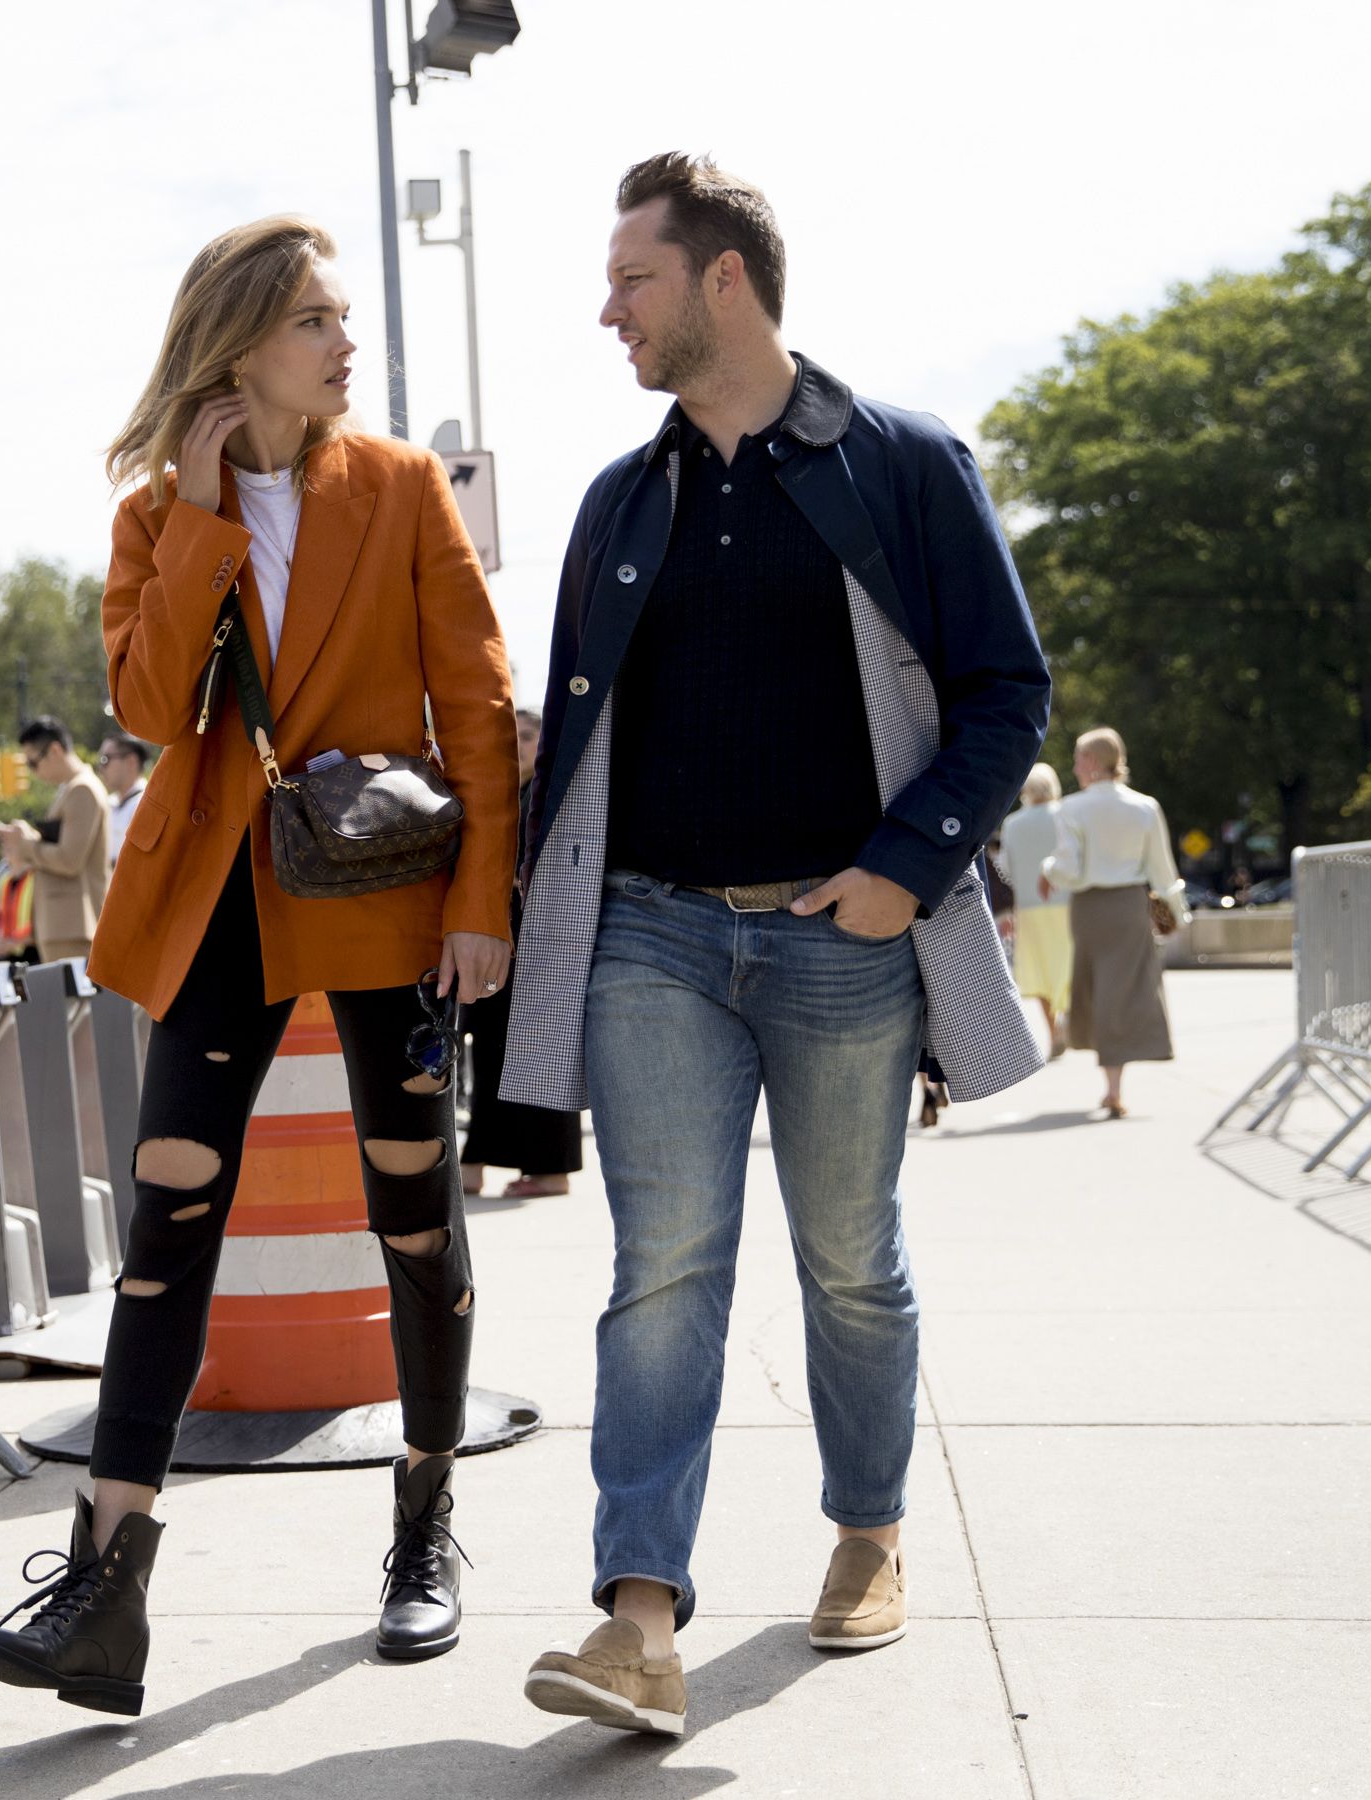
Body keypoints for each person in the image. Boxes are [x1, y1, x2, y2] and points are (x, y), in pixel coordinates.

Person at [500, 153, 1047, 1738]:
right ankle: (638, 1623)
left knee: (847, 1265)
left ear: (724, 277)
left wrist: (901, 867)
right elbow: (581, 747)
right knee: (661, 1268)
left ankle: (868, 1529)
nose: (609, 309)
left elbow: (1009, 691)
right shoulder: (620, 500)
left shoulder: (904, 463)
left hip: (843, 940)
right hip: (651, 937)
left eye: (634, 278)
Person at [0, 215, 516, 1715]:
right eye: (316, 324)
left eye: (344, 318)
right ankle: (106, 1583)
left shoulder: (399, 485)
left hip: (386, 891)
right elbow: (148, 705)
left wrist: (485, 898)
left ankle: (421, 1522)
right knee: (169, 1219)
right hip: (223, 898)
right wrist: (204, 512)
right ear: (242, 347)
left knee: (412, 1205)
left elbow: (475, 697)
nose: (347, 345)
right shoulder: (160, 513)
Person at [461, 707, 585, 1199]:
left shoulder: (552, 793)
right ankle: (475, 1159)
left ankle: (551, 1170)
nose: (518, 745)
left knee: (542, 1053)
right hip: (494, 938)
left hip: (541, 945)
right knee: (488, 1054)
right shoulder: (493, 793)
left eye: (529, 735)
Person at [1041, 726, 1185, 1119]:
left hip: (1089, 908)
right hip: (1129, 905)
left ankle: (1108, 1083)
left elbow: (1067, 868)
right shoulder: (1145, 807)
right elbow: (1162, 869)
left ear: (1090, 761)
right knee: (1125, 988)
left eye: (1077, 758)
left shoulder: (1071, 807)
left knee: (1097, 987)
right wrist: (1178, 912)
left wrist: (1048, 868)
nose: (1074, 766)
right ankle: (1115, 1087)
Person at [0, 717, 110, 964]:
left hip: (73, 926)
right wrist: (27, 839)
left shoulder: (82, 790)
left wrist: (25, 845)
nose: (33, 771)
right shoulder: (72, 789)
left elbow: (69, 860)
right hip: (66, 925)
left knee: (72, 1002)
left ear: (55, 750)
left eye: (33, 762)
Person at [1001, 762, 1073, 1058]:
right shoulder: (1067, 814)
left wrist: (1007, 913)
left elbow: (1006, 872)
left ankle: (1054, 1029)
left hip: (1028, 908)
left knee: (1040, 970)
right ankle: (1068, 1018)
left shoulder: (1013, 824)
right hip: (1067, 903)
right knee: (1068, 965)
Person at [96, 730, 153, 864]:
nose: (100, 767)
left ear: (131, 761)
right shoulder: (108, 803)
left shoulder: (148, 805)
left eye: (105, 759)